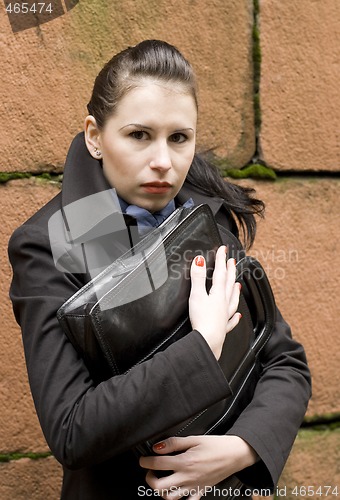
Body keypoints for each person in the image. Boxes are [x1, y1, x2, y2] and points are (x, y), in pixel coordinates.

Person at [8, 40, 311, 499]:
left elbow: (284, 361)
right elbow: (72, 430)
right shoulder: (49, 244)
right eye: (138, 135)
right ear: (95, 136)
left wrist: (243, 448)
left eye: (179, 138)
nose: (164, 162)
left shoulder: (206, 218)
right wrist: (202, 346)